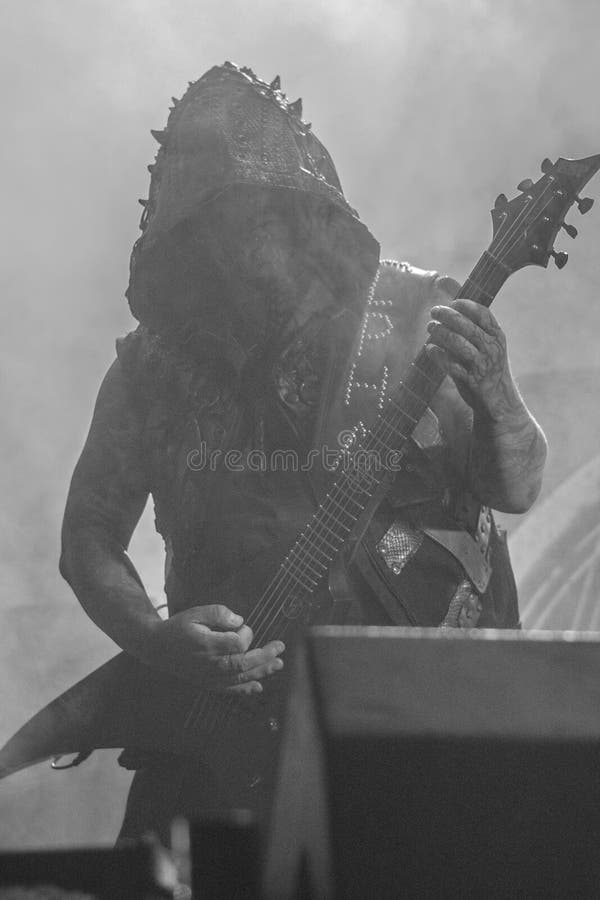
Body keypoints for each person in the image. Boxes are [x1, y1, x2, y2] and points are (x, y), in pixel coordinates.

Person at [58, 62, 547, 842]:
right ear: (187, 232)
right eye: (222, 215)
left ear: (308, 208)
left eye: (266, 210)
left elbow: (514, 486)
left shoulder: (415, 310)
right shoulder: (147, 371)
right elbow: (88, 537)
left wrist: (498, 393)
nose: (250, 235)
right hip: (222, 732)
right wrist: (156, 640)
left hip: (420, 720)